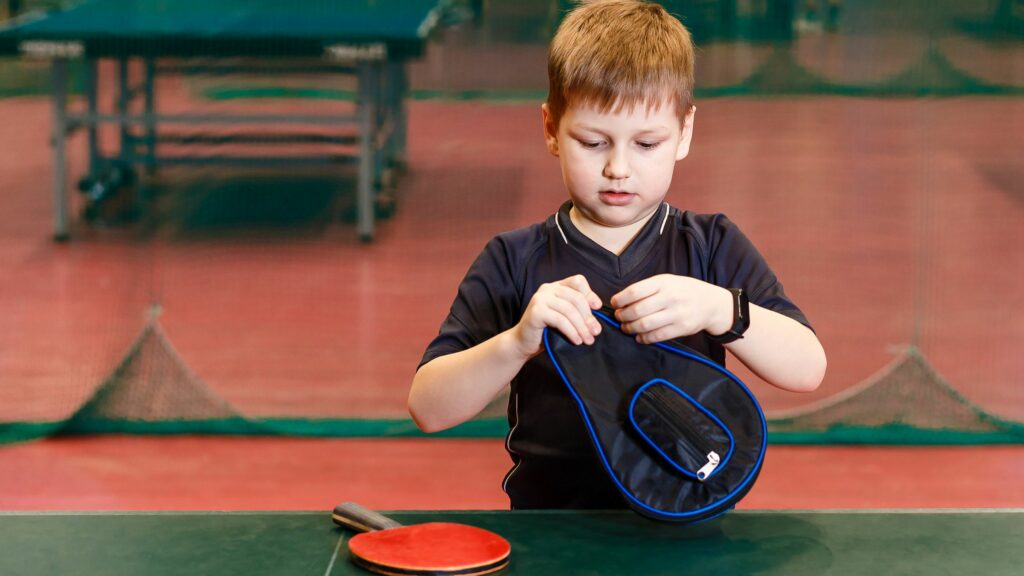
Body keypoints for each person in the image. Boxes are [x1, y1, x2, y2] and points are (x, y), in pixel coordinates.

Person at [409, 0, 826, 509]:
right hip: (552, 534)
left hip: (688, 535)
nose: (618, 169)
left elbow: (807, 369)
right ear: (550, 130)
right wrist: (516, 344)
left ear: (684, 134)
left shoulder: (711, 243)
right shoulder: (513, 259)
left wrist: (720, 310)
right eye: (592, 142)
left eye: (647, 144)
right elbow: (428, 408)